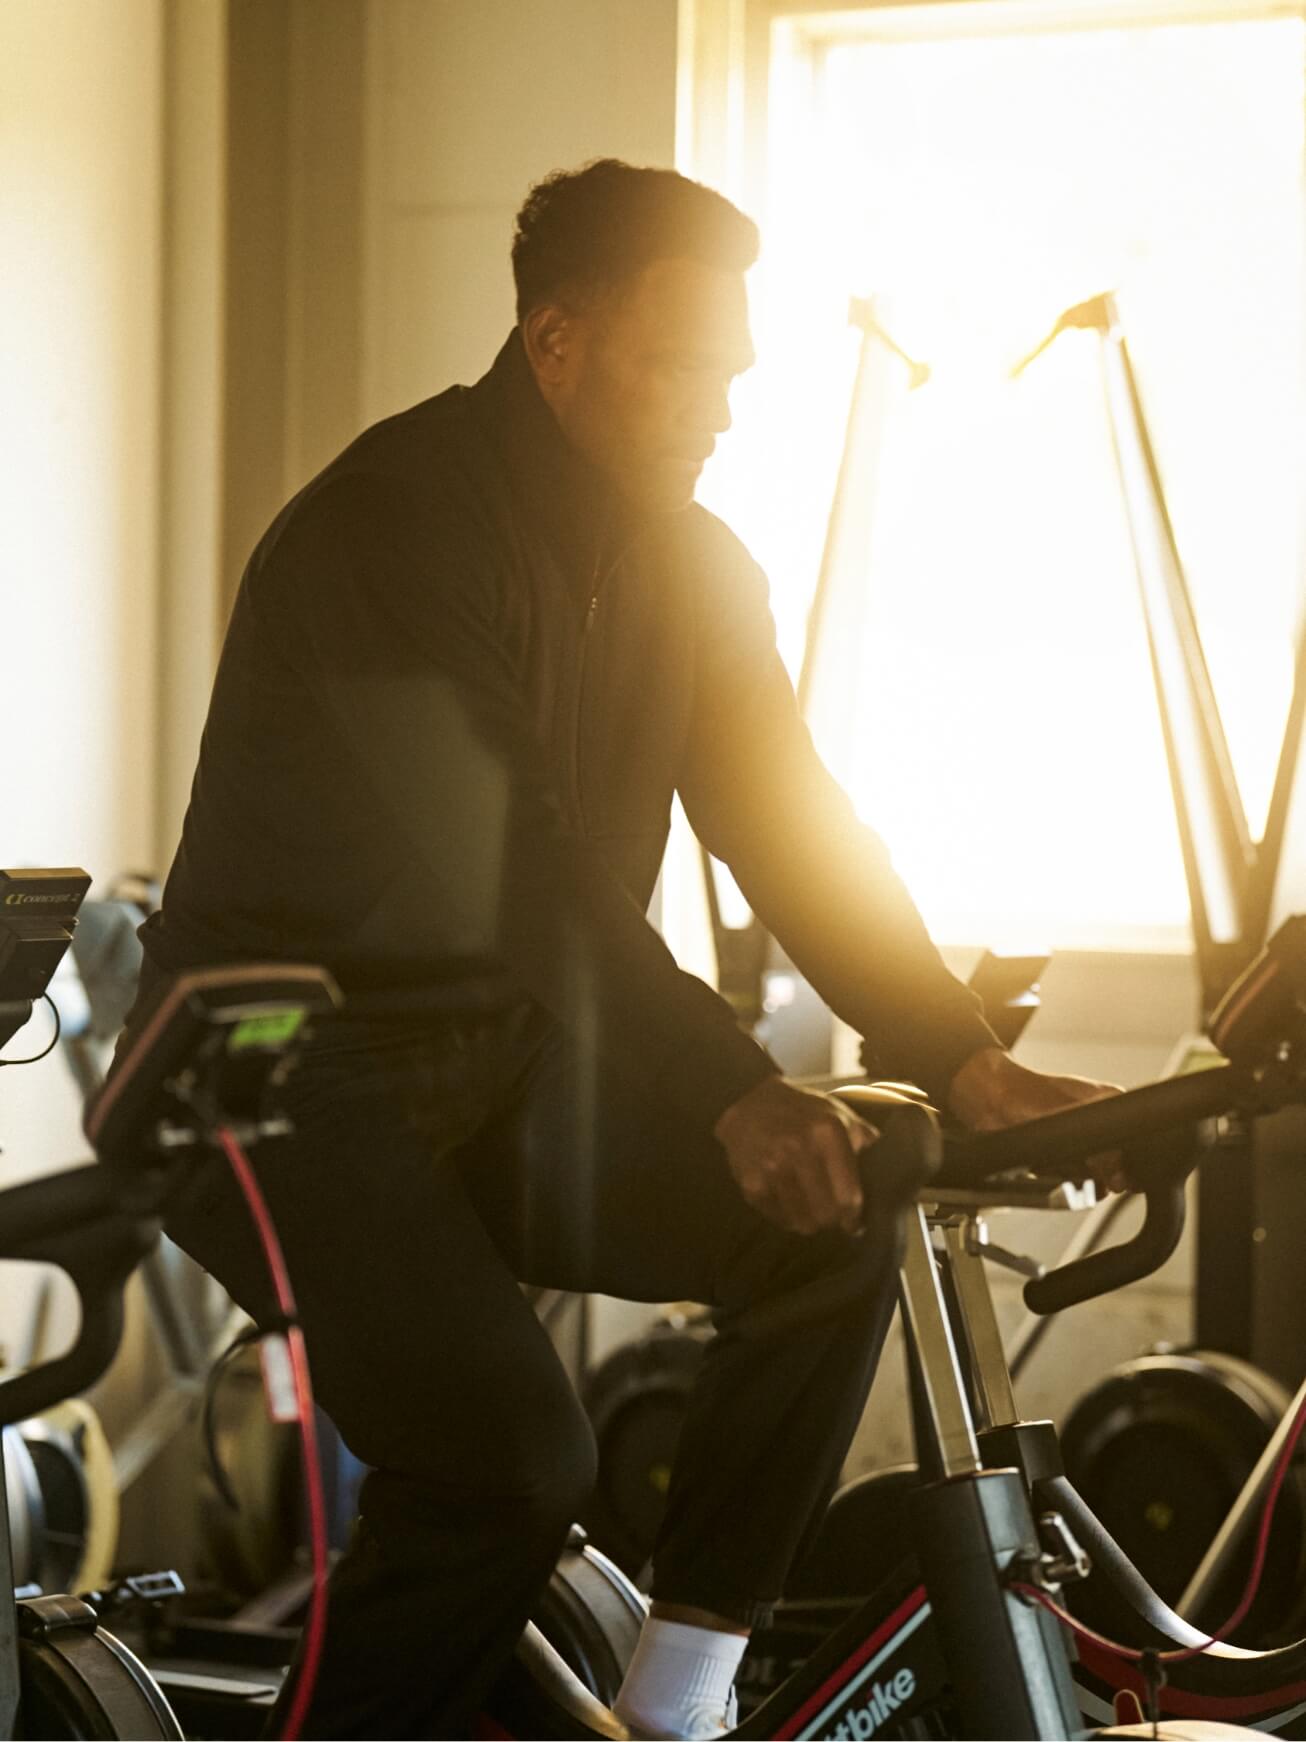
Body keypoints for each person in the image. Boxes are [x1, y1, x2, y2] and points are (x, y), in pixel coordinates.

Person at [120, 159, 1116, 1739]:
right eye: (682, 366)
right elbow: (517, 873)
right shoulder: (389, 528)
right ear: (556, 343)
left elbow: (790, 824)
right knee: (505, 1458)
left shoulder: (696, 564)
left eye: (733, 373)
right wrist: (729, 1085)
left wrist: (957, 1053)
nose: (716, 409)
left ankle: (678, 1702)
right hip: (269, 1082)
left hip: (497, 1065)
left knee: (850, 1196)